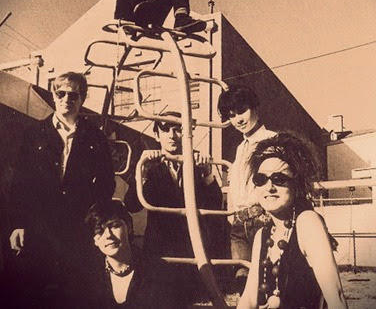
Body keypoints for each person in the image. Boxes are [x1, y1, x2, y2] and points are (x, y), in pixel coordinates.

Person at [8, 72, 116, 305]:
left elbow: (106, 184)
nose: (67, 99)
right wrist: (18, 223)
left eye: (74, 95)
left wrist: (94, 222)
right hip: (39, 228)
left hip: (78, 230)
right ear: (53, 95)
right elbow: (20, 183)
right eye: (61, 93)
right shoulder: (34, 134)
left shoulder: (95, 138)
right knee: (35, 292)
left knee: (72, 293)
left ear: (82, 99)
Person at [238, 132, 347, 309]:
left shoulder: (307, 223)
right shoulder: (262, 234)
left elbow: (336, 296)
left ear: (296, 185)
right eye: (261, 179)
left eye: (279, 179)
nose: (269, 187)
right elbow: (249, 299)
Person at [124, 111, 223, 304]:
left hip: (192, 246)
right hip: (161, 246)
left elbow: (215, 206)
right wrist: (141, 173)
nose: (172, 135)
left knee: (190, 301)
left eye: (178, 130)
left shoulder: (198, 163)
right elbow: (132, 205)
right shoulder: (149, 165)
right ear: (156, 134)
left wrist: (207, 174)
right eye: (165, 129)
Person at [217, 85, 276, 291]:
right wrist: (232, 215)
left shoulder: (271, 140)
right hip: (238, 224)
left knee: (266, 282)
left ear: (255, 109)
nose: (238, 120)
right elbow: (235, 186)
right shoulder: (240, 148)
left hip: (262, 220)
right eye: (231, 115)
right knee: (243, 282)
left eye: (242, 111)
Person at [84, 199, 179, 308]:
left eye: (114, 226)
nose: (108, 235)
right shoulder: (89, 278)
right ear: (95, 240)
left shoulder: (158, 271)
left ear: (128, 226)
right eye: (100, 231)